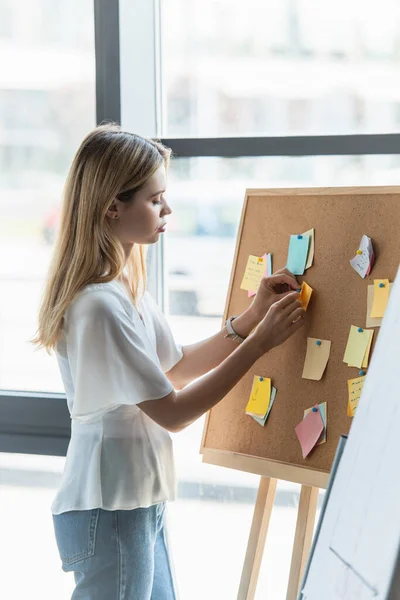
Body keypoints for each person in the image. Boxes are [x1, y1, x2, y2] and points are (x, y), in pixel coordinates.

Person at [33, 123, 304, 600]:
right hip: (110, 506)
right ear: (112, 206)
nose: (167, 209)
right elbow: (174, 411)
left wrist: (253, 315)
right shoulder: (98, 306)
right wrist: (259, 343)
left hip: (135, 500)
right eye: (155, 199)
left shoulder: (122, 288)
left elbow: (176, 366)